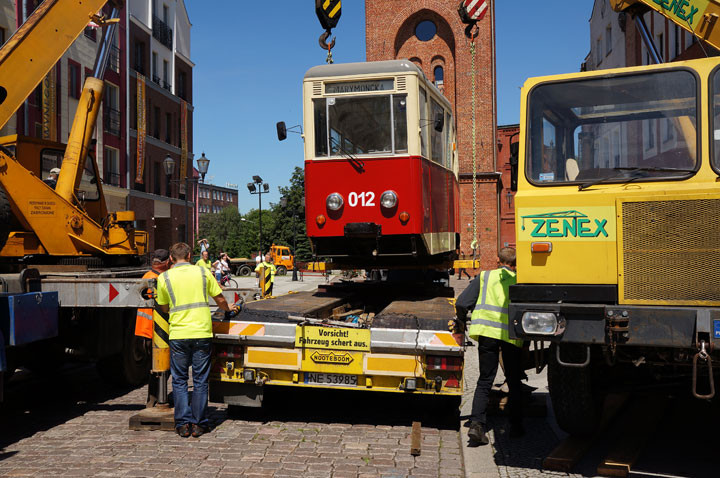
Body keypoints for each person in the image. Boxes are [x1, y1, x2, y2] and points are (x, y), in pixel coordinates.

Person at [155, 242, 238, 438]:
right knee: (200, 380)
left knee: (180, 380)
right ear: (191, 255)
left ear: (171, 259)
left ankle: (183, 425)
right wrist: (229, 309)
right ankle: (199, 424)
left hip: (178, 334)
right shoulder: (202, 272)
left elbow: (164, 307)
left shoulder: (164, 277)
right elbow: (219, 299)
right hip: (201, 332)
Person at [455, 247, 524, 445]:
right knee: (514, 380)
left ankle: (476, 425)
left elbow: (462, 302)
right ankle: (516, 427)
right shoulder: (520, 280)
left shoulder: (484, 278)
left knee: (485, 379)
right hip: (511, 336)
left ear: (497, 260)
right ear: (515, 263)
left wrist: (461, 320)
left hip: (487, 334)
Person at [134, 249, 171, 406]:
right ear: (165, 263)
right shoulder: (156, 280)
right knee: (159, 367)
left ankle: (154, 399)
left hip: (146, 330)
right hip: (153, 331)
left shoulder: (148, 277)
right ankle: (154, 399)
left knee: (156, 367)